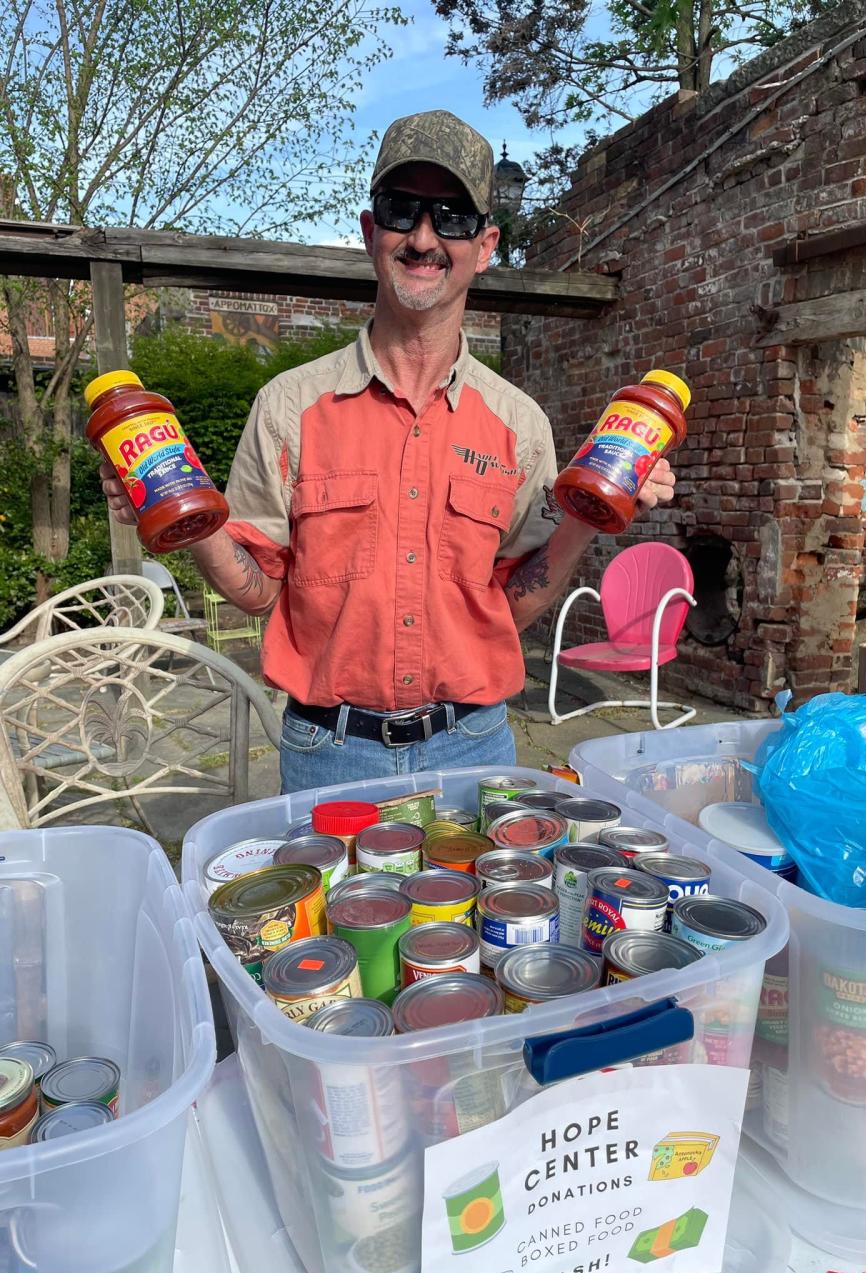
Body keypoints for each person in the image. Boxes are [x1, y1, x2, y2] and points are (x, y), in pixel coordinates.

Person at [100, 110, 675, 791]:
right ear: (373, 233)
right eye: (403, 211)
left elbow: (511, 603)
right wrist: (184, 515)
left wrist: (593, 513)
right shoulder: (289, 406)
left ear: (486, 244)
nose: (425, 238)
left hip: (475, 747)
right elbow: (257, 594)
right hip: (328, 751)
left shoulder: (519, 425)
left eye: (452, 217)